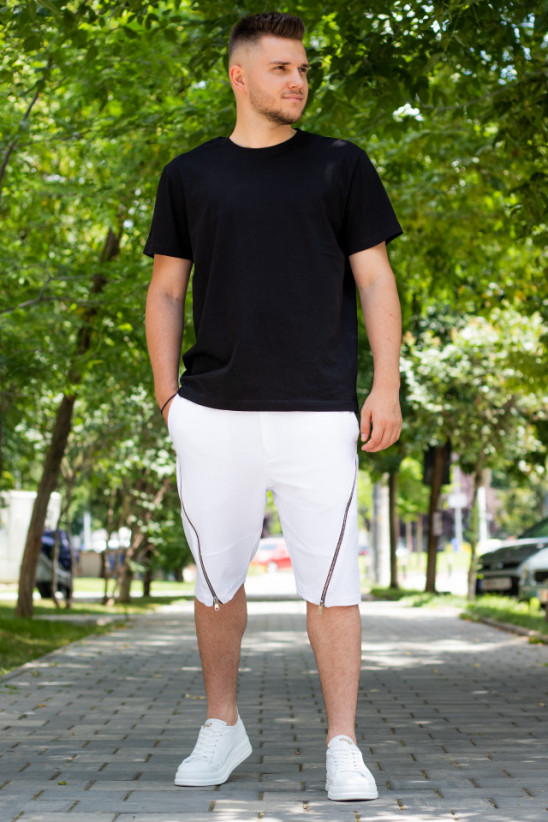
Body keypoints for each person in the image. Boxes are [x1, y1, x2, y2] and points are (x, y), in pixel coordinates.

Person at [144, 11, 402, 802]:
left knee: (333, 583)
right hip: (212, 412)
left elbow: (375, 279)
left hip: (317, 411)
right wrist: (167, 399)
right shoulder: (189, 175)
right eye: (283, 68)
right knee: (217, 581)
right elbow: (165, 290)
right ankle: (221, 727)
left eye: (304, 70)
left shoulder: (340, 165)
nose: (299, 81)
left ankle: (343, 744)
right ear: (240, 76)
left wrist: (385, 385)